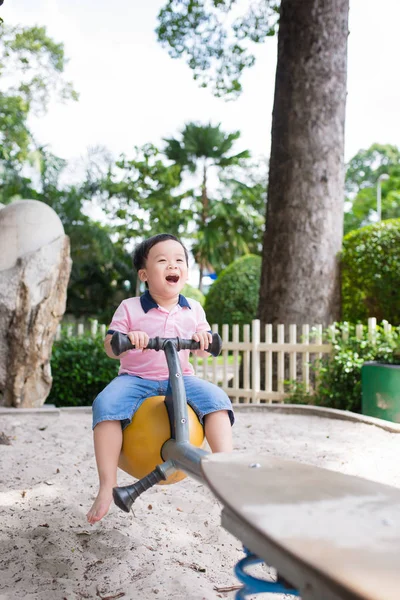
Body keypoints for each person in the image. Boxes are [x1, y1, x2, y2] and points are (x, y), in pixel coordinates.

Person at [87, 233, 234, 524]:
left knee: (218, 400)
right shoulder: (130, 307)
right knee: (106, 406)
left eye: (179, 260)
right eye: (163, 260)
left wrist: (202, 340)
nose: (173, 265)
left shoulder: (193, 309)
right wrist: (128, 338)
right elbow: (110, 344)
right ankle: (107, 485)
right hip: (136, 377)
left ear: (186, 272)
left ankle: (226, 470)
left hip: (180, 378)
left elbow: (205, 353)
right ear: (144, 274)